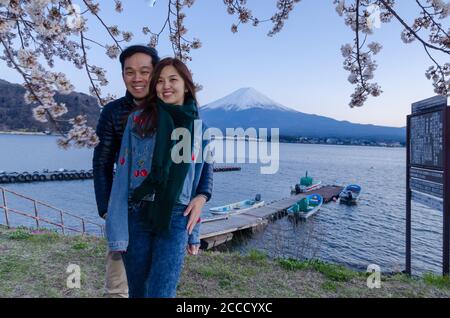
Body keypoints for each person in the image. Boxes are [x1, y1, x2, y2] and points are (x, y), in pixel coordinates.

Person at [93, 46, 212, 298]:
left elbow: (200, 173)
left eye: (146, 72)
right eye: (130, 72)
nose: (138, 78)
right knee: (123, 288)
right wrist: (109, 212)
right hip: (132, 209)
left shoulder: (196, 125)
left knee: (160, 291)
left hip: (175, 213)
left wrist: (202, 199)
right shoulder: (127, 116)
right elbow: (105, 163)